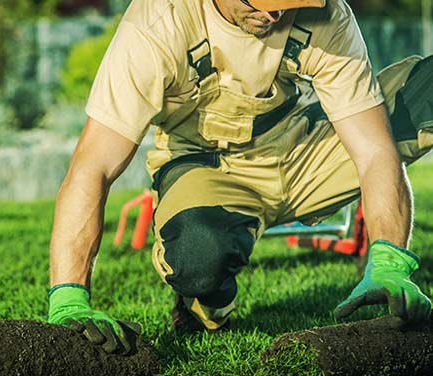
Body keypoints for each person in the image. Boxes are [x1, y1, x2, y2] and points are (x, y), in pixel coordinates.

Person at [46, 0, 433, 354]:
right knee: (199, 255)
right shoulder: (156, 26)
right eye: (263, 2)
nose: (275, 16)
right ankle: (205, 305)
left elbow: (373, 150)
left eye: (289, 4)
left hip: (300, 148)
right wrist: (69, 296)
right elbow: (93, 166)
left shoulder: (328, 14)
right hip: (208, 165)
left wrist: (388, 258)